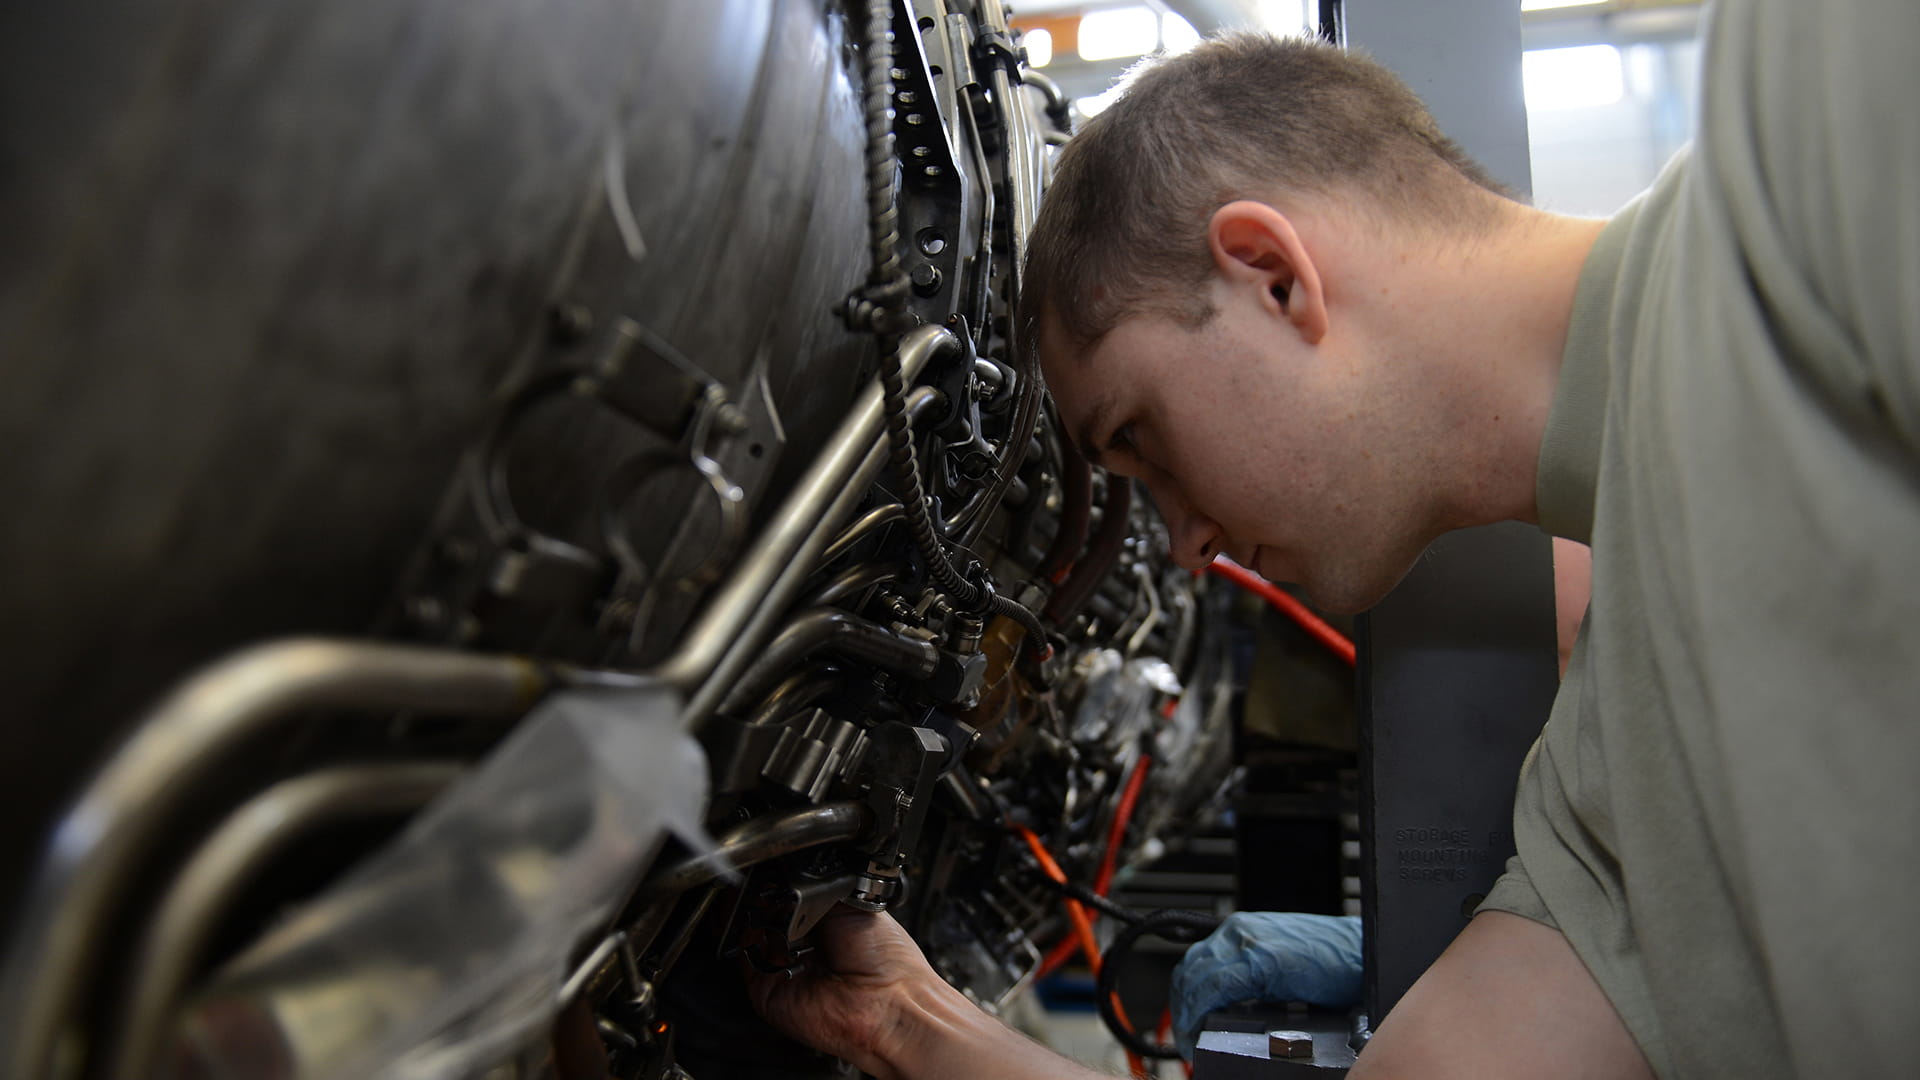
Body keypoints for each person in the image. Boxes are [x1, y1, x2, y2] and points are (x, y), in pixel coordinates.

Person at [750, 0, 1920, 1075]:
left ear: (1271, 276)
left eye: (1146, 439)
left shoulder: (1810, 121)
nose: (1187, 541)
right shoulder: (1616, 784)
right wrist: (902, 1021)